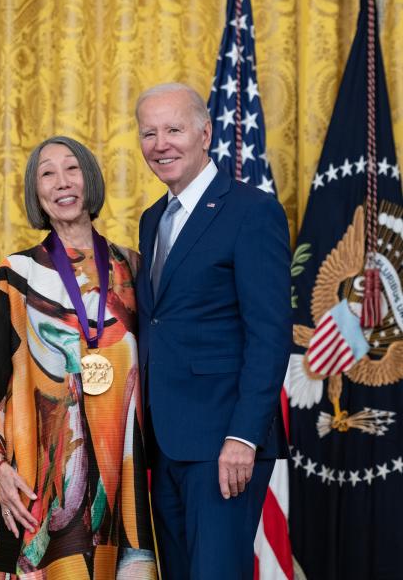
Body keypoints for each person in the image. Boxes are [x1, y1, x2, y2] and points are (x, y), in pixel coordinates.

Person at [0, 136, 157, 579]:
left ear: (89, 179)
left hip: (126, 468)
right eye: (46, 174)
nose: (61, 182)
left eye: (71, 168)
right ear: (37, 195)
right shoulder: (18, 272)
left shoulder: (134, 267)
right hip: (43, 467)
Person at [135, 82, 291, 579]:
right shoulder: (151, 219)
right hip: (164, 441)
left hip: (224, 444)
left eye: (174, 129)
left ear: (205, 133)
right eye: (149, 133)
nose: (161, 144)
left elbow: (269, 335)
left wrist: (243, 438)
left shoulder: (251, 211)